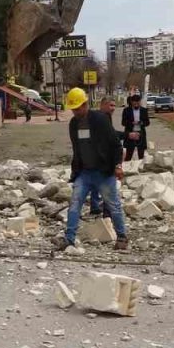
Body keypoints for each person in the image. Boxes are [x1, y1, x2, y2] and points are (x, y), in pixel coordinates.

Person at [57, 87, 128, 251]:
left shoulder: (100, 120)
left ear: (85, 104)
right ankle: (69, 239)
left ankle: (122, 237)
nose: (75, 111)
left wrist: (118, 165)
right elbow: (77, 149)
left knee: (113, 205)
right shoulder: (73, 124)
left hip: (103, 172)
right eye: (73, 109)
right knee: (74, 203)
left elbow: (116, 145)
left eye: (77, 108)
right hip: (84, 173)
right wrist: (76, 170)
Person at [121, 94, 150, 162]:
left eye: (138, 102)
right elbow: (123, 123)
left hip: (141, 134)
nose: (136, 104)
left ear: (140, 102)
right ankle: (127, 168)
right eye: (135, 103)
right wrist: (131, 123)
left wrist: (141, 123)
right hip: (130, 134)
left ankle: (140, 168)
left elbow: (147, 122)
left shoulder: (144, 110)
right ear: (132, 102)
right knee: (129, 154)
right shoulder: (126, 110)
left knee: (141, 154)